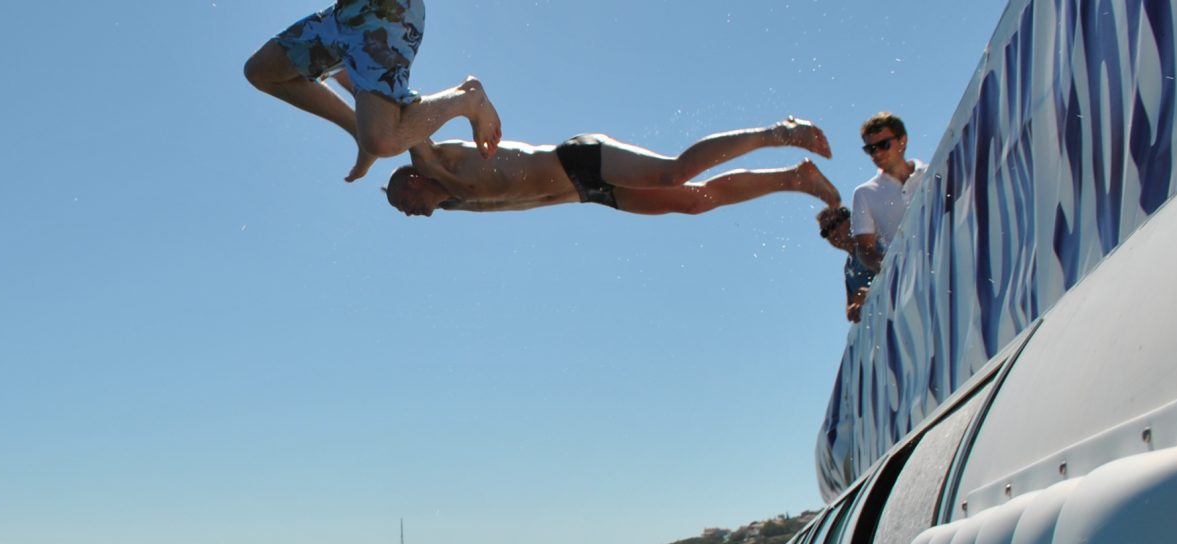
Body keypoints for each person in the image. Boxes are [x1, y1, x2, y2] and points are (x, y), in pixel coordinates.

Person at [244, 1, 502, 182]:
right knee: (261, 71)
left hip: (386, 14)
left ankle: (467, 99)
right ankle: (358, 127)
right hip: (345, 15)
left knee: (381, 140)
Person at [382, 118, 838, 218]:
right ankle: (795, 178)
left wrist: (350, 75)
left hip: (577, 158)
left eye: (404, 200)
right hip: (589, 192)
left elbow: (398, 122)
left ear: (415, 179)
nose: (408, 211)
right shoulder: (454, 203)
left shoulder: (437, 161)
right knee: (695, 202)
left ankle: (780, 133)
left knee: (674, 172)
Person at [849, 111, 928, 274]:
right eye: (871, 149)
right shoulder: (864, 194)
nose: (877, 153)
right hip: (910, 277)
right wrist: (885, 267)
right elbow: (864, 248)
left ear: (902, 141)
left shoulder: (933, 173)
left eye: (883, 145)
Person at [818, 205, 876, 321]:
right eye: (825, 232)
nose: (832, 233)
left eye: (834, 224)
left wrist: (871, 292)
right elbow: (849, 308)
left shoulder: (870, 244)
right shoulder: (848, 268)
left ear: (850, 220)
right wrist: (852, 309)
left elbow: (893, 269)